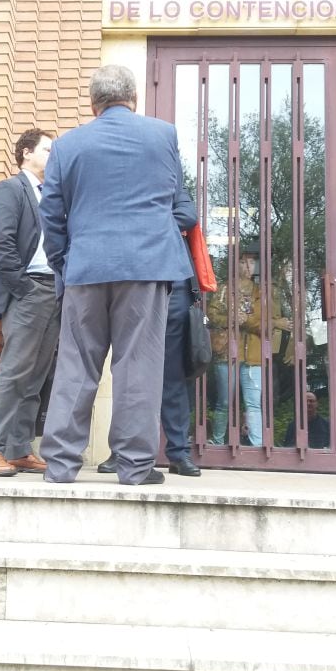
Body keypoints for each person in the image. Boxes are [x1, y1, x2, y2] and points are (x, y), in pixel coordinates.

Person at [38, 64, 195, 486]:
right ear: (134, 100)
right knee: (138, 366)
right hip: (147, 267)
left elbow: (50, 213)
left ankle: (60, 465)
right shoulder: (163, 135)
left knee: (76, 364)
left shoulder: (68, 145)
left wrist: (63, 263)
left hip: (85, 267)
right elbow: (172, 197)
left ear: (93, 104)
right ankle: (135, 467)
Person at [97, 182, 202, 477]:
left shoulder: (171, 185)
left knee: (172, 376)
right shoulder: (128, 182)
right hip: (131, 282)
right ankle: (121, 452)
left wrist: (138, 219)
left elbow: (188, 215)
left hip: (174, 286)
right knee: (128, 372)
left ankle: (179, 454)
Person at [0, 129, 61, 477]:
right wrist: (24, 289)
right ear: (26, 153)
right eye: (47, 150)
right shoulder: (9, 190)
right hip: (28, 292)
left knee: (36, 376)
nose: (52, 156)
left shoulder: (52, 195)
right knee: (13, 372)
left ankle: (20, 448)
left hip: (54, 291)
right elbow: (2, 245)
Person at [206, 244, 292, 446]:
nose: (247, 266)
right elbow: (211, 316)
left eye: (252, 262)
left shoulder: (262, 292)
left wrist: (248, 322)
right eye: (243, 261)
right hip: (227, 352)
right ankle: (217, 443)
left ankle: (257, 445)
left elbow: (267, 321)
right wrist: (232, 318)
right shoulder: (225, 288)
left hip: (254, 354)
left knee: (254, 404)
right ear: (235, 264)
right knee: (225, 402)